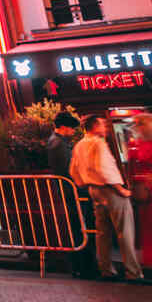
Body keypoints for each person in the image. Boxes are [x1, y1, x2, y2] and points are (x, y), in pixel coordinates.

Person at [70, 115, 146, 283]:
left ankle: (106, 270)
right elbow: (104, 169)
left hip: (93, 190)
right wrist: (120, 189)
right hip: (110, 189)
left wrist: (85, 183)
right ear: (95, 126)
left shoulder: (79, 145)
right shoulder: (98, 143)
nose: (105, 128)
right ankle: (133, 273)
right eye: (103, 125)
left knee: (102, 232)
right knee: (124, 231)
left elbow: (73, 170)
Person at [46, 112, 87, 277]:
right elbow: (67, 170)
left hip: (67, 190)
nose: (73, 131)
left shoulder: (57, 141)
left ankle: (79, 265)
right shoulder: (58, 143)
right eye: (71, 128)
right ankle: (81, 266)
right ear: (63, 127)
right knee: (77, 227)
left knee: (76, 227)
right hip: (70, 191)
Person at [129, 113, 152, 269]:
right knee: (146, 225)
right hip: (144, 189)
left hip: (145, 187)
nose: (136, 127)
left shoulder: (139, 144)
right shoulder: (137, 143)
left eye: (138, 124)